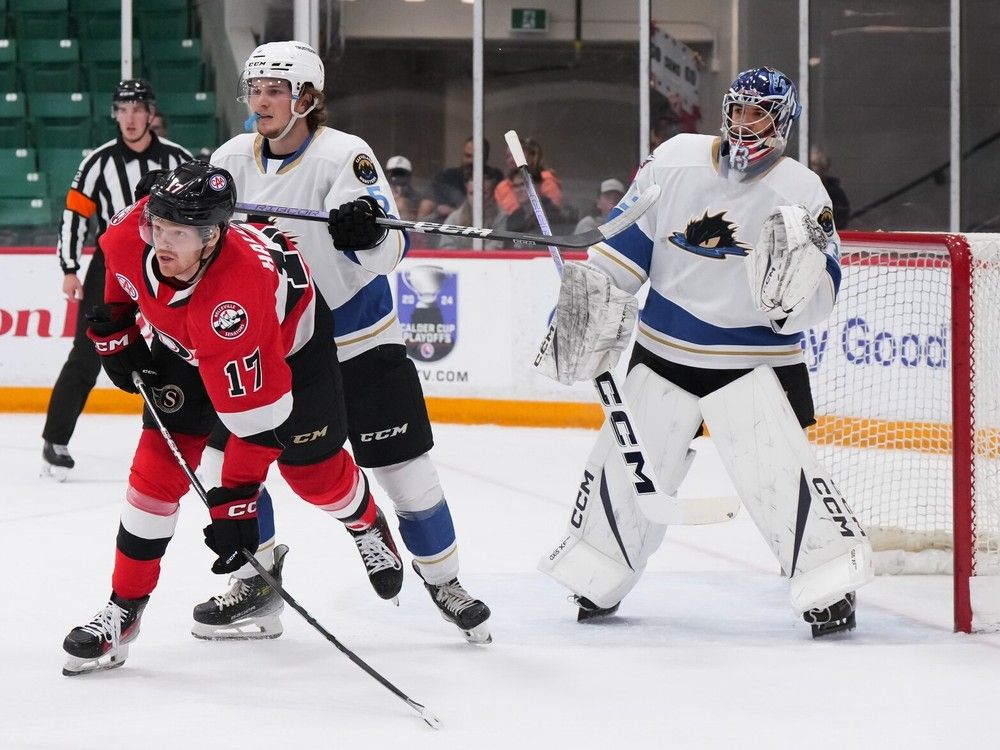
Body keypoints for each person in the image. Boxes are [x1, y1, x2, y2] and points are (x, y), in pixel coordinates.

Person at [536, 66, 873, 637]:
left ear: (781, 122)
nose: (744, 124)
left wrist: (797, 288)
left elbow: (823, 297)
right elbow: (624, 249)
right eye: (738, 110)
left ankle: (827, 579)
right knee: (629, 467)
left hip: (756, 360)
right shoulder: (674, 161)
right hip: (666, 348)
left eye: (758, 113)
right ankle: (598, 566)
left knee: (779, 475)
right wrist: (584, 309)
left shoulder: (801, 192)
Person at [62, 161, 404, 675]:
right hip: (189, 348)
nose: (163, 243)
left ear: (212, 236)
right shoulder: (129, 234)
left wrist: (236, 503)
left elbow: (256, 424)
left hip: (288, 353)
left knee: (312, 477)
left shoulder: (237, 295)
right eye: (158, 226)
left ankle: (364, 521)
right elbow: (121, 275)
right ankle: (123, 610)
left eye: (179, 233)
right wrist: (116, 331)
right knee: (154, 477)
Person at [205, 41, 491, 644]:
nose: (261, 100)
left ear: (306, 98)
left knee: (406, 474)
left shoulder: (344, 155)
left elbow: (390, 253)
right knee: (228, 470)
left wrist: (363, 234)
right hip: (271, 350)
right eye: (254, 89)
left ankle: (446, 582)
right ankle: (257, 584)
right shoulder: (230, 157)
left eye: (275, 89)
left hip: (358, 340)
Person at [40, 79, 192, 481]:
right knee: (87, 351)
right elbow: (74, 215)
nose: (129, 118)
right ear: (115, 114)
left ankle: (200, 434)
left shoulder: (178, 158)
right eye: (122, 110)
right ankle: (55, 439)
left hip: (172, 261)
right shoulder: (97, 161)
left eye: (137, 109)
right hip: (111, 263)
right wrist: (70, 268)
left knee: (184, 344)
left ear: (150, 113)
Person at [429, 136, 504, 220]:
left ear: (485, 158)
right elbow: (434, 207)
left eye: (476, 157)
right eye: (468, 156)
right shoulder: (447, 177)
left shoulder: (494, 177)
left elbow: (495, 211)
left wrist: (452, 211)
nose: (470, 161)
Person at [437, 173, 508, 251]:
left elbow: (495, 247)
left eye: (484, 193)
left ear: (492, 194)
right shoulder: (455, 218)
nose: (477, 197)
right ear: (466, 195)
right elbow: (446, 248)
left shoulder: (501, 217)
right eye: (471, 193)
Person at [495, 136, 562, 215]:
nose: (510, 160)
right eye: (508, 156)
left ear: (531, 157)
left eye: (515, 155)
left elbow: (553, 214)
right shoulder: (502, 187)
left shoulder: (545, 179)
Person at [809, 147, 851, 229]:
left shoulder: (835, 192)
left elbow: (841, 218)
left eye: (817, 164)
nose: (814, 169)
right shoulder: (798, 188)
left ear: (824, 168)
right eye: (811, 164)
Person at [385, 155, 435, 222]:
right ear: (388, 174)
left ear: (409, 176)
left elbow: (419, 205)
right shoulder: (384, 190)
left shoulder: (413, 193)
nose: (398, 177)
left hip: (411, 224)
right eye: (395, 173)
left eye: (401, 173)